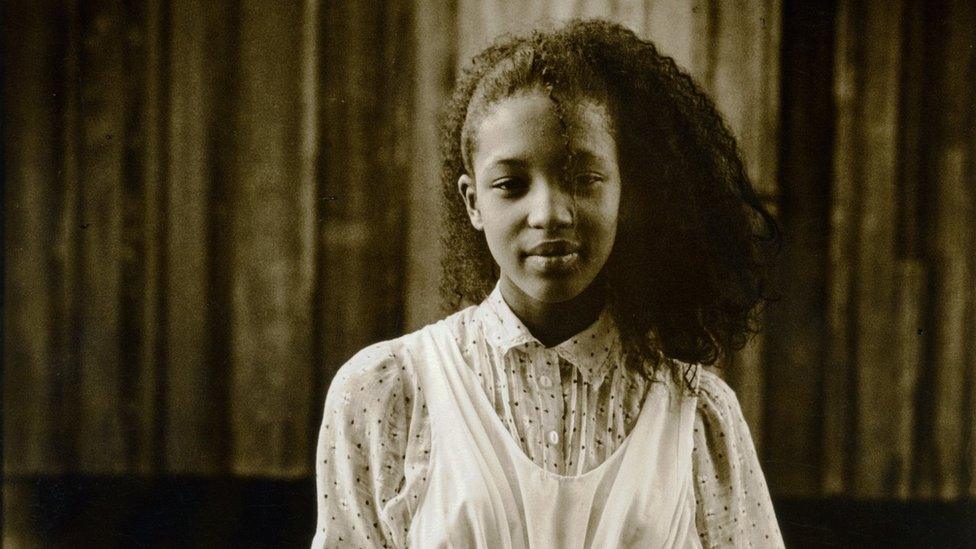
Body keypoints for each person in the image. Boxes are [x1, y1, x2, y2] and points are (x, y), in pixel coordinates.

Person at [313, 19, 784, 548]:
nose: (549, 213)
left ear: (623, 191)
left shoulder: (697, 414)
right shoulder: (388, 393)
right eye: (511, 185)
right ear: (474, 203)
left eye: (583, 179)